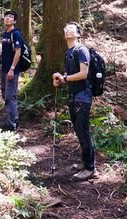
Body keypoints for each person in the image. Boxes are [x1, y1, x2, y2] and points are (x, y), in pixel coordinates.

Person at [52, 22, 96, 180]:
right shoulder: (69, 52)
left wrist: (64, 78)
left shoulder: (81, 50)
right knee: (79, 131)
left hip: (83, 97)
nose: (67, 31)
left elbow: (83, 74)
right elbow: (69, 74)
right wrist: (61, 80)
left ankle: (90, 168)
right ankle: (86, 162)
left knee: (83, 131)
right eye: (66, 29)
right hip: (74, 96)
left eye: (71, 29)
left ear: (78, 34)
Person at [0, 10, 24, 131]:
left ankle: (11, 124)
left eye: (10, 17)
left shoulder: (16, 33)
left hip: (12, 70)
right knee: (5, 94)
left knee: (10, 96)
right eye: (6, 16)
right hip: (4, 69)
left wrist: (12, 69)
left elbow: (18, 52)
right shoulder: (5, 34)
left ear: (14, 21)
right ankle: (14, 118)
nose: (7, 18)